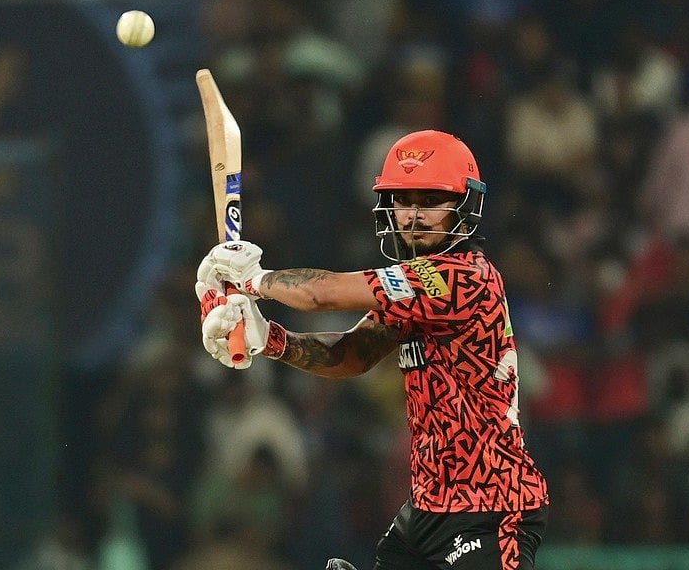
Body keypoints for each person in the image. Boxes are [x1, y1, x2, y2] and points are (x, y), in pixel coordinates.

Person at [196, 130, 550, 570]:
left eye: (430, 200)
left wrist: (255, 279)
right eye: (403, 200)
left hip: (490, 507)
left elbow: (322, 294)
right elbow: (352, 355)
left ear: (464, 205)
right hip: (427, 509)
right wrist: (271, 340)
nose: (414, 215)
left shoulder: (462, 277)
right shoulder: (417, 287)